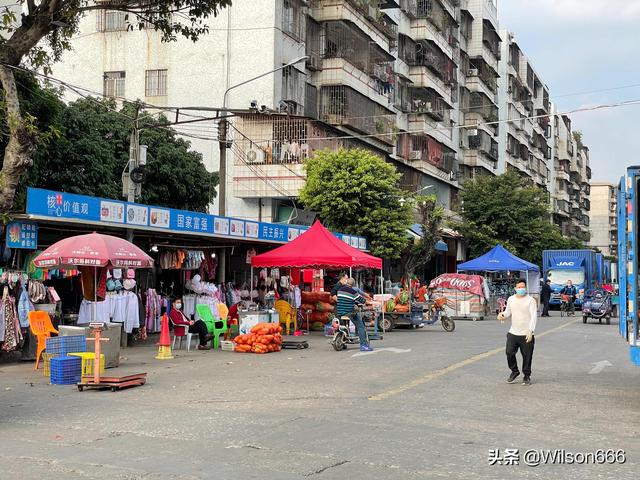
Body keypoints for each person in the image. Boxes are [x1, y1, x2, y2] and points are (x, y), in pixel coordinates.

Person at [498, 280, 537, 386]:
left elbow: (534, 316)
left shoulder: (530, 300)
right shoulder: (511, 299)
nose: (521, 289)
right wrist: (502, 315)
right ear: (515, 288)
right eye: (519, 287)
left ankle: (527, 375)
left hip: (526, 334)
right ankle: (514, 371)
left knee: (527, 356)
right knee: (509, 352)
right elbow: (508, 312)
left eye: (523, 287)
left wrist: (530, 330)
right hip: (513, 332)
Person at [336, 278, 373, 352]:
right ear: (353, 285)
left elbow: (344, 299)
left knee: (344, 326)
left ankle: (344, 340)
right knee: (361, 327)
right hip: (349, 312)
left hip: (339, 312)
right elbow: (362, 300)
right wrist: (370, 302)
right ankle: (363, 345)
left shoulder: (339, 290)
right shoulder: (353, 292)